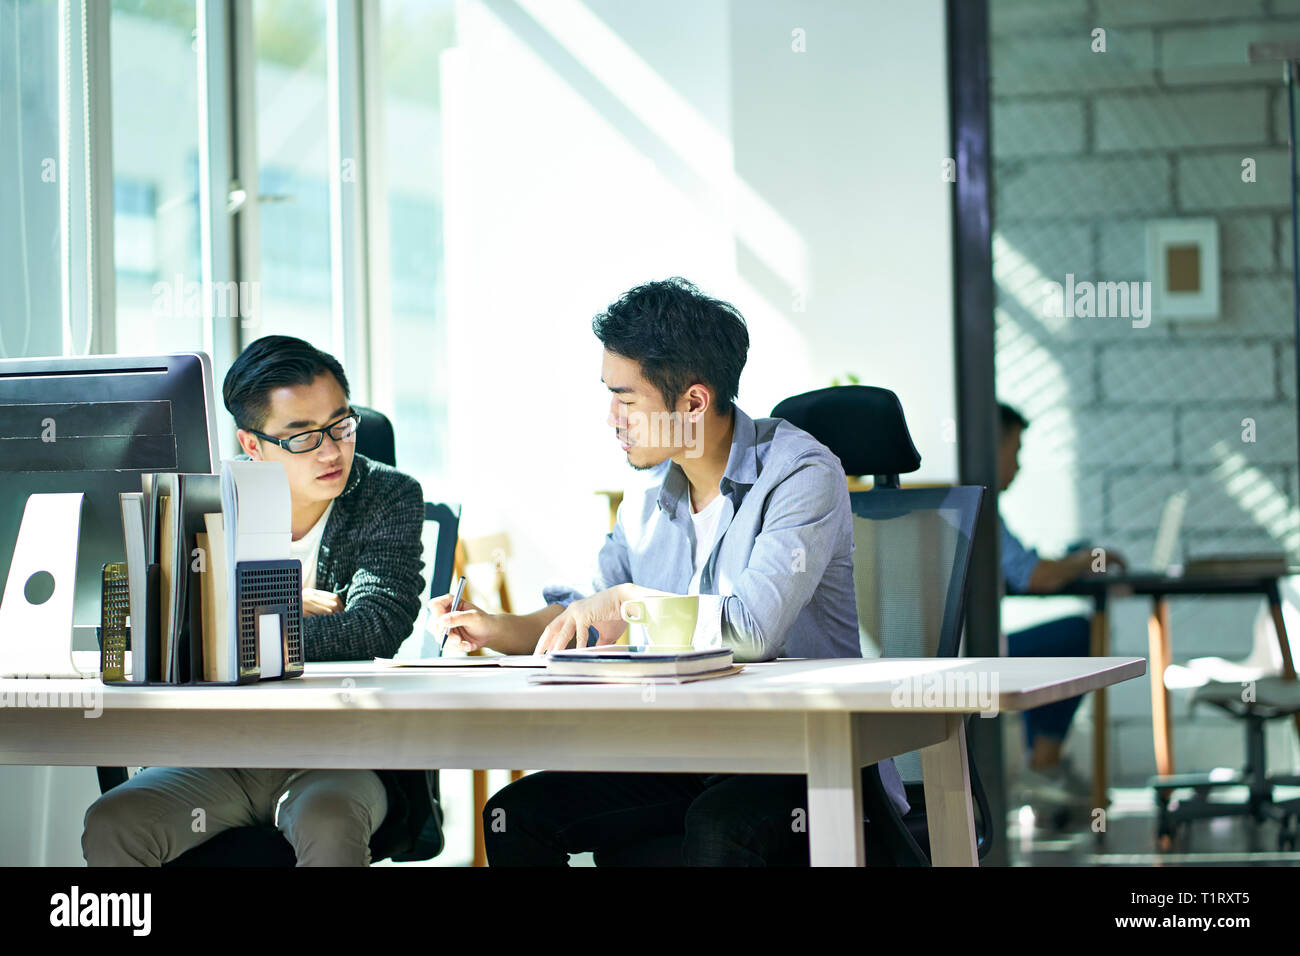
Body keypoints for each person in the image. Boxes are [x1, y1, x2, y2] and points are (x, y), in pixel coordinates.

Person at [430, 277, 907, 866]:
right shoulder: (649, 489)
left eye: (626, 399)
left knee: (717, 828)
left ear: (694, 402)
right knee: (516, 817)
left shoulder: (802, 475)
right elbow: (588, 608)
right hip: (691, 754)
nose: (612, 417)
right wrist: (497, 628)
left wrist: (627, 603)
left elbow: (751, 630)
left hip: (805, 758)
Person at [82, 335, 433, 866]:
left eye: (341, 425)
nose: (332, 450)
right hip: (220, 757)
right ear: (252, 445)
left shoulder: (388, 495)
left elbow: (373, 627)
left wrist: (225, 618)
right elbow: (147, 628)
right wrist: (284, 605)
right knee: (114, 823)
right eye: (303, 438)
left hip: (337, 756)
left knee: (329, 821)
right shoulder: (202, 500)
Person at [998, 402, 1125, 810]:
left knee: (1050, 648)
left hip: (954, 648)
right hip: (966, 656)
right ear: (991, 446)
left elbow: (1024, 568)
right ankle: (1043, 767)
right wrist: (1089, 558)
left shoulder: (969, 503)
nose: (1017, 466)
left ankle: (1043, 767)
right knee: (1073, 634)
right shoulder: (974, 502)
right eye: (1015, 451)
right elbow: (1036, 577)